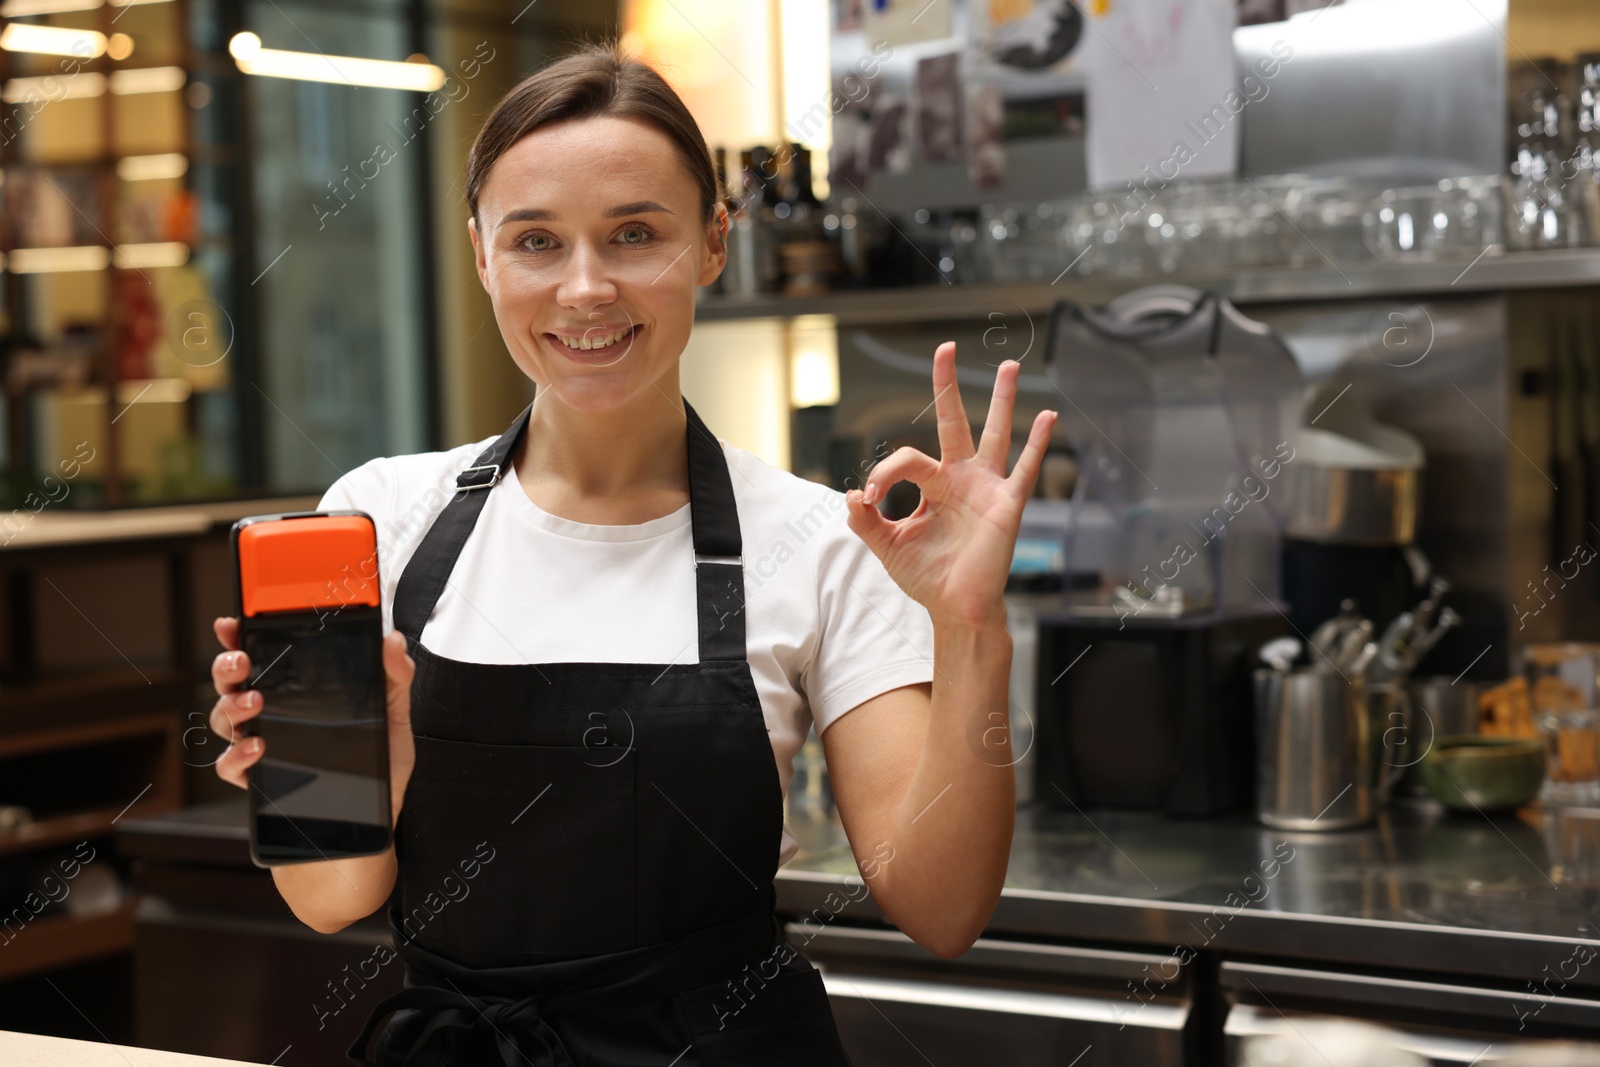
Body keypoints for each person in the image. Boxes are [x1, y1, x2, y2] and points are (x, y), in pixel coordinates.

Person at [207, 41, 1057, 1067]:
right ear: (479, 255)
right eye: (535, 241)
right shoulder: (379, 517)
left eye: (634, 234)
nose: (584, 288)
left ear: (711, 242)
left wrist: (970, 630)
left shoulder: (819, 540)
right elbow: (330, 899)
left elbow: (942, 907)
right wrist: (364, 776)